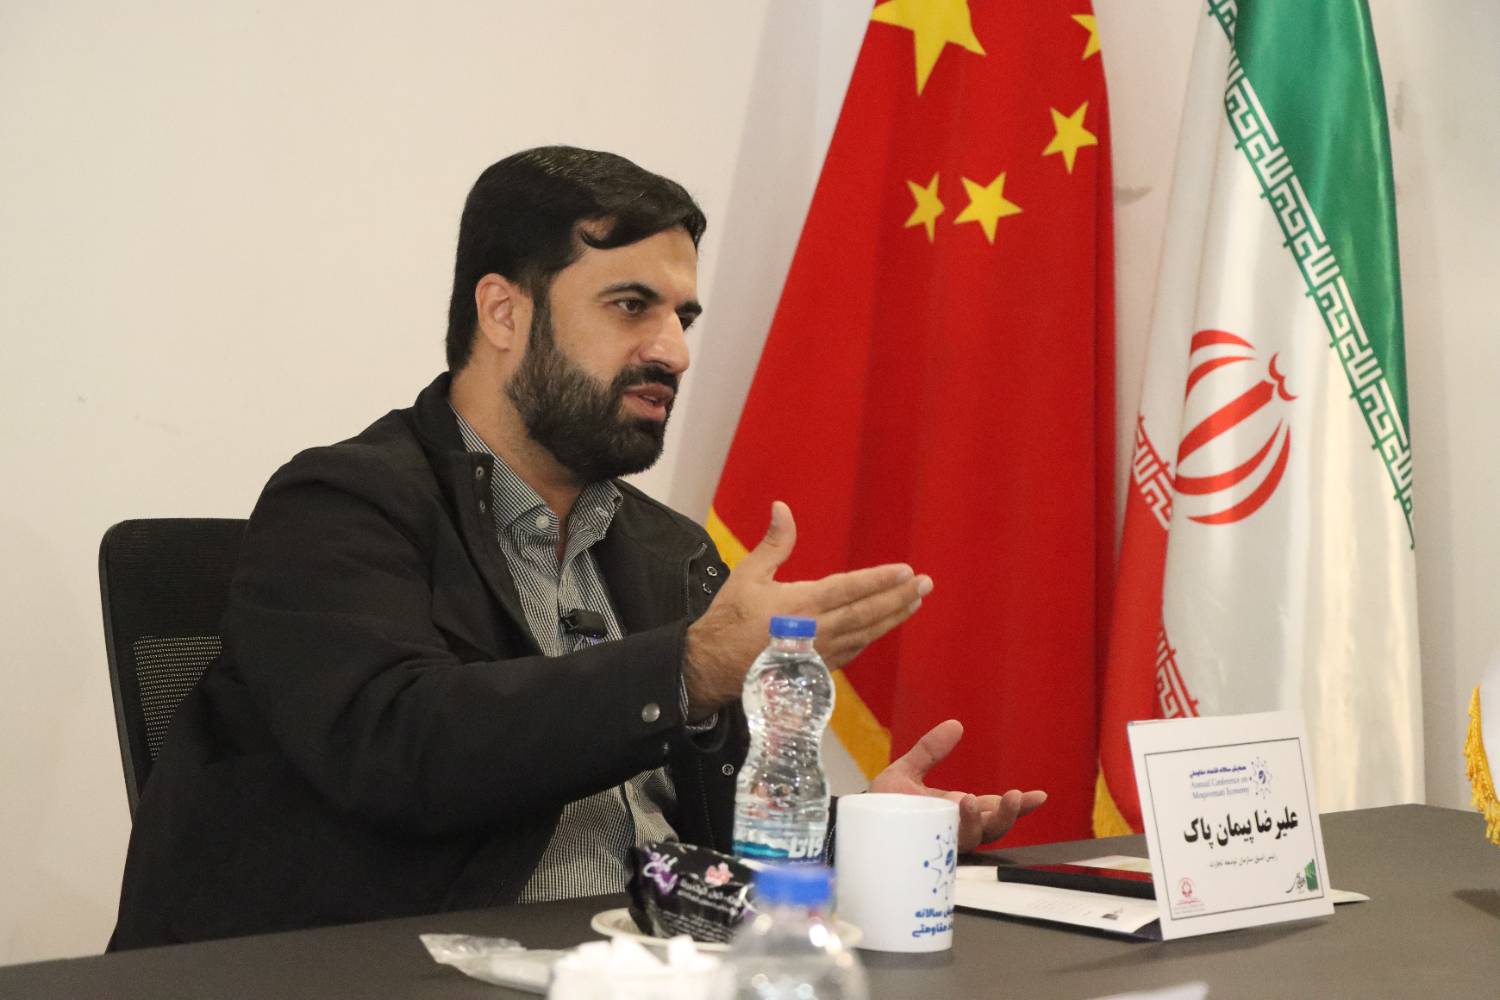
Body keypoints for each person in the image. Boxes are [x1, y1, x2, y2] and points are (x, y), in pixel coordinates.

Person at [109, 146, 1045, 949]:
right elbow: (400, 747)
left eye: (682, 317)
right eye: (632, 305)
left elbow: (704, 842)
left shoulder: (667, 550)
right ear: (503, 312)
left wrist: (861, 833)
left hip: (652, 970)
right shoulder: (339, 506)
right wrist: (688, 669)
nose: (673, 351)